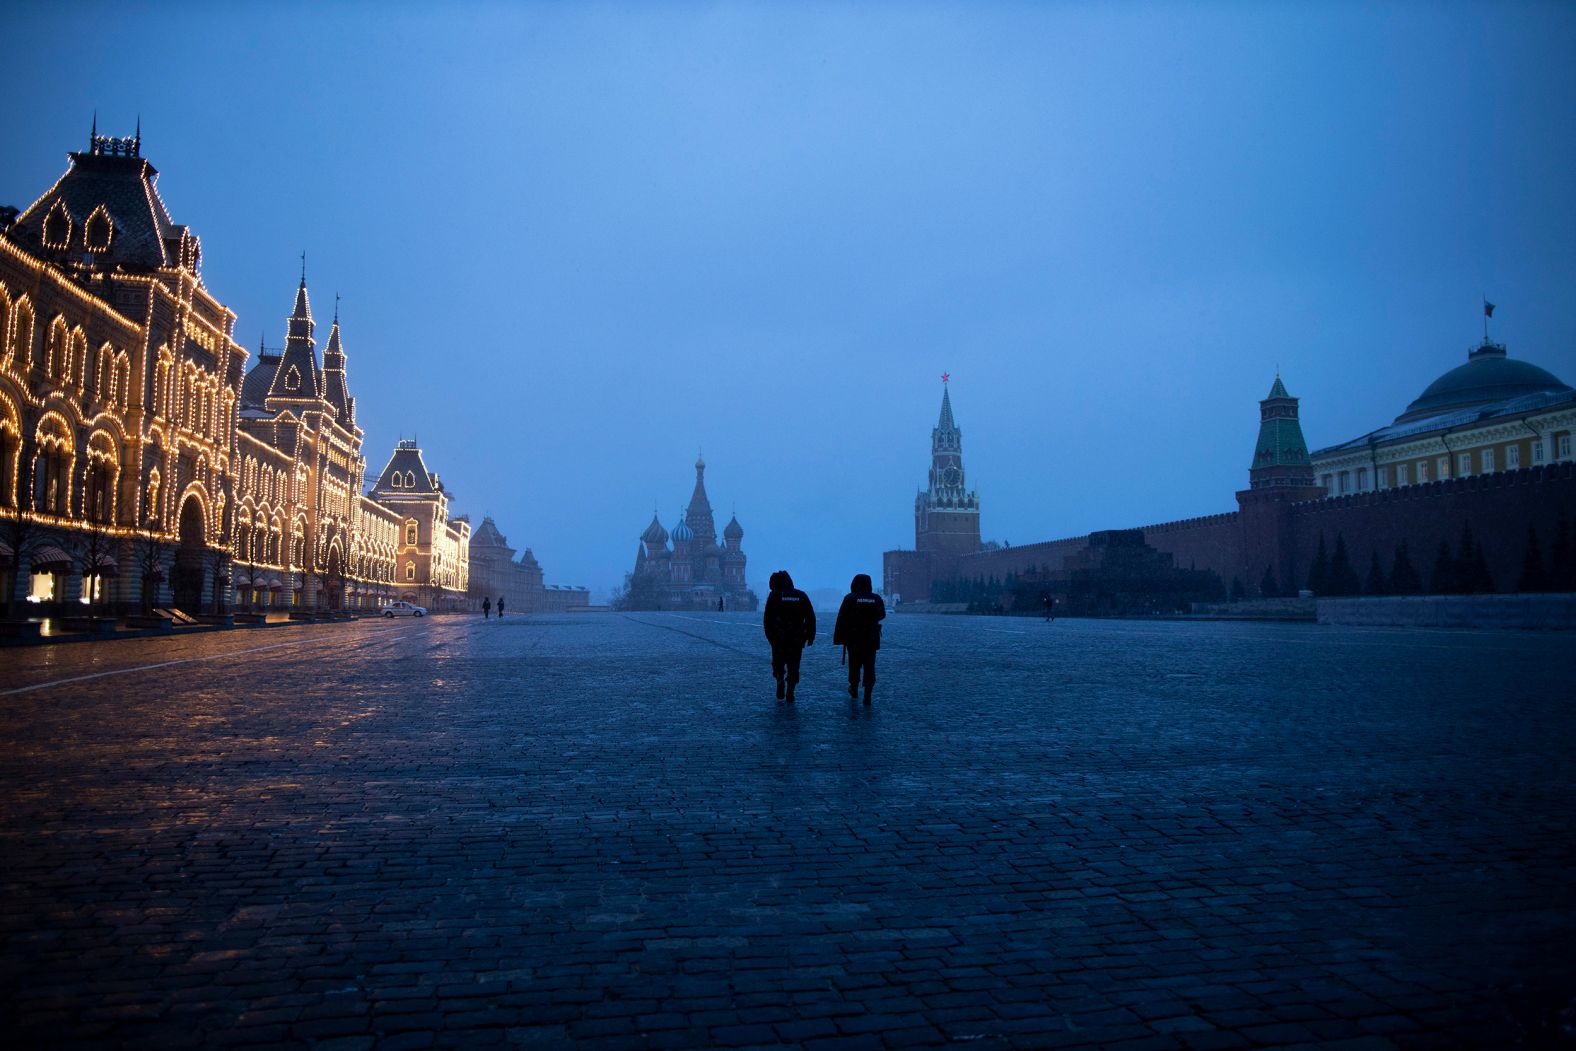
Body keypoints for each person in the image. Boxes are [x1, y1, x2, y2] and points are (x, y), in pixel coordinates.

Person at [763, 570, 815, 702]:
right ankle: (791, 689)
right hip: (796, 638)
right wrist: (810, 635)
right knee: (794, 665)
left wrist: (770, 637)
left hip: (778, 638)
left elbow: (767, 620)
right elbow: (810, 617)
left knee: (778, 663)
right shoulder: (801, 595)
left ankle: (780, 678)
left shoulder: (774, 596)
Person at [833, 573, 886, 704]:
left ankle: (854, 688)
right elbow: (882, 614)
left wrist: (839, 638)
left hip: (854, 639)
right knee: (869, 666)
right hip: (871, 639)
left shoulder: (850, 598)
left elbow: (841, 619)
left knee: (854, 665)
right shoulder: (876, 598)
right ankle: (868, 693)